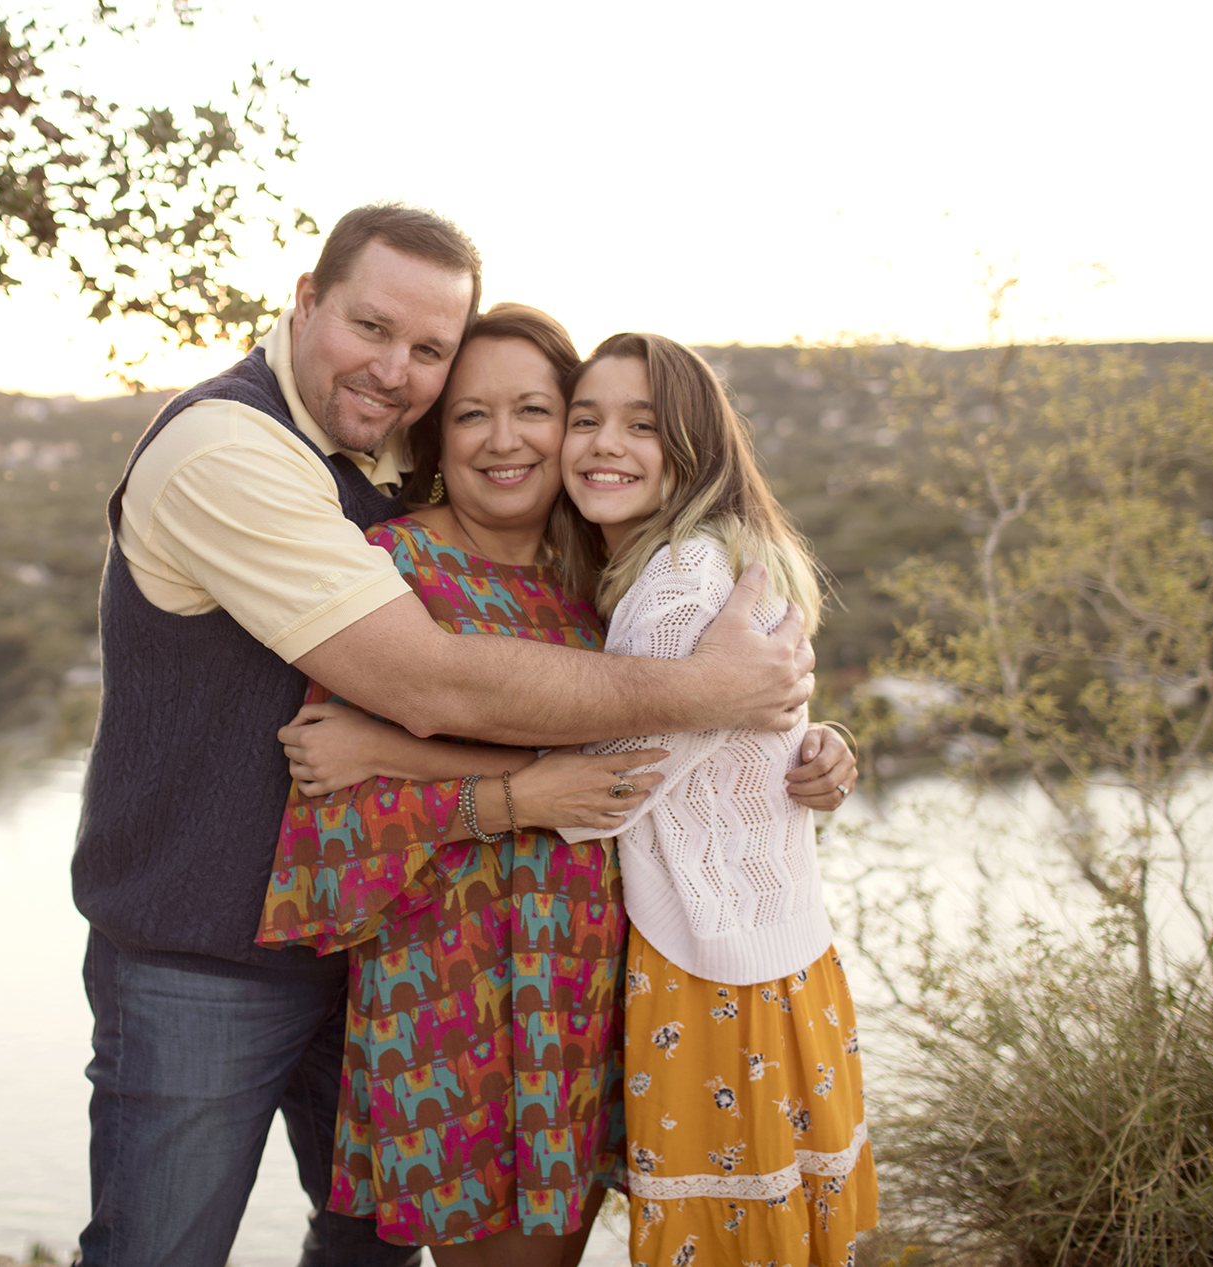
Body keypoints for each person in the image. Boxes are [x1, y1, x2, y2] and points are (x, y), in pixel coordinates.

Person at [72, 204, 822, 1267]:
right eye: (372, 328)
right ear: (305, 300)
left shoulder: (522, 534)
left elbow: (644, 720)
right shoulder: (229, 450)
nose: (396, 369)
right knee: (161, 1248)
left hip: (398, 964)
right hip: (212, 957)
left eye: (427, 349)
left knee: (367, 1254)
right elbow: (429, 682)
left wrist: (796, 738)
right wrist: (696, 696)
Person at [255, 308, 857, 1266]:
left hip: (598, 979)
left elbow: (678, 739)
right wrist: (515, 796)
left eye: (536, 409)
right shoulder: (390, 571)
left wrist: (803, 743)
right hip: (450, 990)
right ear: (434, 438)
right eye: (470, 415)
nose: (504, 440)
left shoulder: (608, 573)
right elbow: (329, 808)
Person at [558, 333, 876, 1264]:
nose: (605, 444)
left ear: (692, 446)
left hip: (712, 976)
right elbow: (743, 749)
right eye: (587, 420)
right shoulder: (717, 560)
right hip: (779, 961)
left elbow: (603, 789)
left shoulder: (679, 583)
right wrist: (829, 744)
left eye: (641, 425)